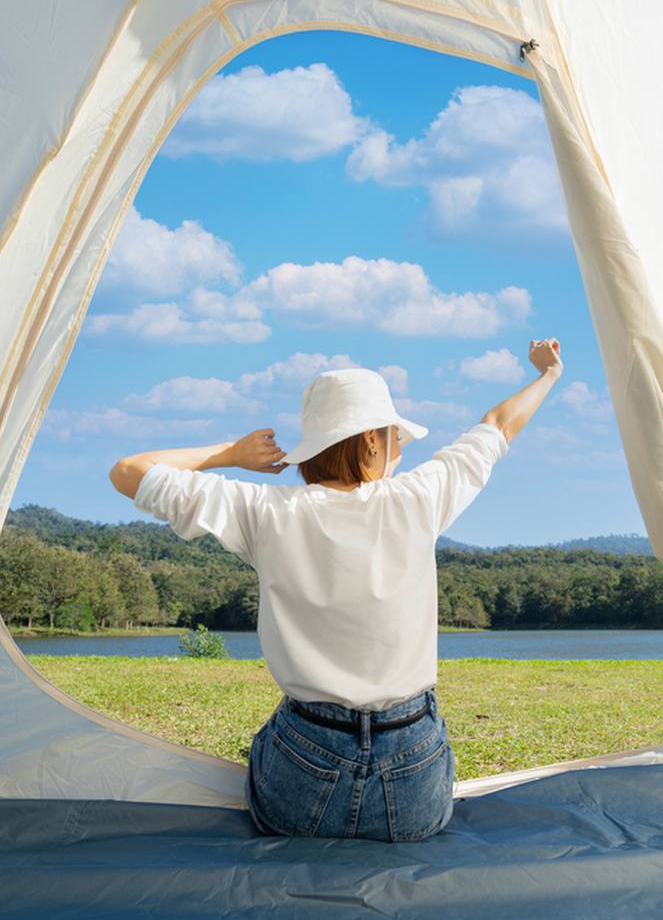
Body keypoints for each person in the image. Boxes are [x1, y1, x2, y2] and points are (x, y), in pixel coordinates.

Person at [108, 338, 564, 841]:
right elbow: (499, 425)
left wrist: (231, 454)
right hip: (413, 776)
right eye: (393, 437)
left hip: (303, 769)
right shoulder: (419, 499)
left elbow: (128, 472)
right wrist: (547, 375)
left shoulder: (264, 512)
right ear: (370, 440)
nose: (398, 449)